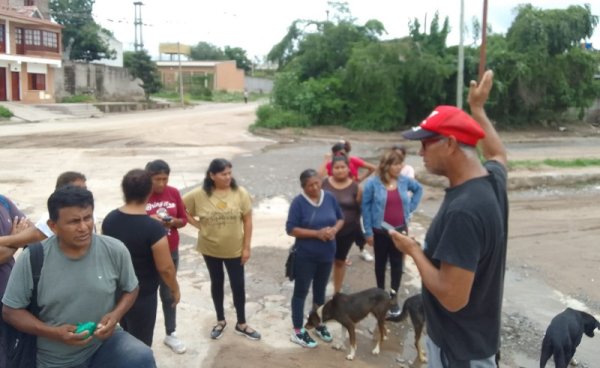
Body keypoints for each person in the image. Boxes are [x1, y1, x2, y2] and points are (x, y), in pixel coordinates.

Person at [389, 70, 508, 367]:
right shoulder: (491, 180)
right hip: (476, 340)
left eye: (427, 143)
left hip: (459, 350)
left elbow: (453, 297)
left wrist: (413, 250)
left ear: (451, 144)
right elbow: (498, 154)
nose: (420, 152)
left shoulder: (464, 211)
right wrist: (478, 109)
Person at [2, 185, 156, 368]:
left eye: (88, 218)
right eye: (74, 221)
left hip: (104, 344)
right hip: (56, 358)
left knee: (141, 357)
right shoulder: (33, 259)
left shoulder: (115, 250)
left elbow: (131, 288)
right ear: (53, 226)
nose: (84, 227)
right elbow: (11, 312)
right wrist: (54, 333)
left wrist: (115, 315)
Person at [183, 158, 261, 341]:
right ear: (212, 175)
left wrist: (247, 248)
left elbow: (248, 221)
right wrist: (197, 225)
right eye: (223, 174)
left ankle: (241, 323)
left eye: (229, 173)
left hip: (235, 249)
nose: (228, 177)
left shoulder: (240, 193)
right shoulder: (199, 194)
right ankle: (220, 320)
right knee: (216, 283)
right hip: (210, 248)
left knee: (238, 285)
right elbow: (180, 208)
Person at [102, 169, 180, 347]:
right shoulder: (153, 228)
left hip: (117, 290)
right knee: (141, 344)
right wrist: (175, 289)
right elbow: (166, 268)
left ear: (124, 191)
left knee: (124, 333)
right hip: (143, 294)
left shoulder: (109, 220)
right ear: (149, 192)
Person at [361, 149, 423, 317]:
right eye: (396, 164)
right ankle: (381, 295)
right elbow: (365, 208)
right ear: (386, 165)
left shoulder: (404, 181)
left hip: (400, 230)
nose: (400, 167)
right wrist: (367, 232)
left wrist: (409, 209)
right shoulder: (373, 183)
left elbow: (419, 190)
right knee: (380, 264)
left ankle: (394, 298)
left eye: (401, 163)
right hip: (380, 231)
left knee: (397, 265)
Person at [286, 169, 344, 348]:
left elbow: (340, 218)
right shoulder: (298, 203)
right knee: (301, 292)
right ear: (303, 187)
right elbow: (291, 229)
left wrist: (334, 230)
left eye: (317, 183)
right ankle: (297, 331)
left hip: (327, 254)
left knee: (320, 291)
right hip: (305, 256)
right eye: (310, 185)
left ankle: (317, 323)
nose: (315, 187)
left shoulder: (330, 198)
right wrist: (316, 234)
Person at [144, 159, 187, 353]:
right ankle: (144, 338)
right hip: (146, 253)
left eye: (164, 179)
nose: (161, 183)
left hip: (170, 250)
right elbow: (132, 216)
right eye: (157, 179)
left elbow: (183, 220)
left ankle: (171, 333)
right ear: (148, 178)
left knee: (168, 292)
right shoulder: (142, 194)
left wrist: (173, 222)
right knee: (146, 295)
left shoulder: (174, 192)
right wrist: (148, 220)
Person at [0, 171, 88, 249]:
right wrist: (15, 239)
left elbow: (25, 229)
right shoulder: (51, 218)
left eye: (85, 189)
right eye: (78, 190)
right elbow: (32, 235)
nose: (84, 194)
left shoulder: (90, 215)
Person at [321, 155, 363, 293]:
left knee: (339, 261)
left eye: (343, 167)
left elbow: (360, 210)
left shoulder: (356, 187)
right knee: (324, 261)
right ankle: (319, 289)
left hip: (347, 232)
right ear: (331, 169)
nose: (340, 170)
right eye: (336, 167)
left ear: (348, 168)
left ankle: (336, 293)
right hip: (325, 231)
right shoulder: (324, 184)